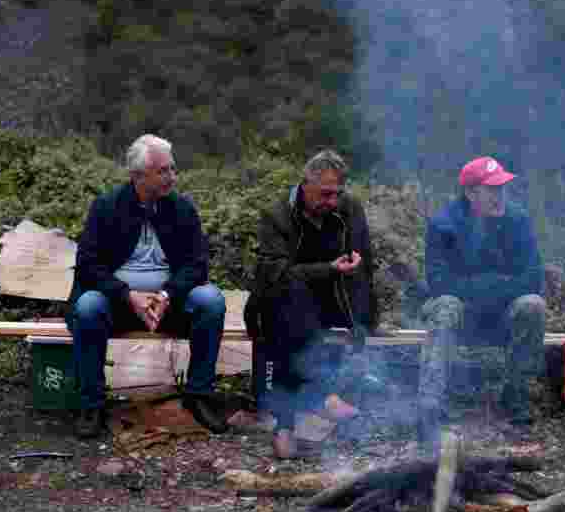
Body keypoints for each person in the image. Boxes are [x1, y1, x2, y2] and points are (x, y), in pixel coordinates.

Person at [66, 134, 226, 438]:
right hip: (118, 304)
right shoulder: (106, 206)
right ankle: (92, 404)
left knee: (211, 300)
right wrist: (127, 296)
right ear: (138, 175)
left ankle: (199, 396)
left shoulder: (182, 208)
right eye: (163, 171)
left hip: (170, 303)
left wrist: (167, 294)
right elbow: (88, 264)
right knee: (87, 306)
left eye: (173, 169)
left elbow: (198, 264)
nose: (172, 177)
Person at [246, 149, 379, 459]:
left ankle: (287, 424)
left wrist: (361, 304)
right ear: (305, 185)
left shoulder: (349, 209)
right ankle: (316, 399)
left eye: (337, 194)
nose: (332, 202)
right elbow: (275, 276)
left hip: (336, 301)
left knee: (295, 317)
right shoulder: (277, 214)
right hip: (282, 303)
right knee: (290, 304)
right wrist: (329, 269)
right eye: (325, 194)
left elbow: (365, 263)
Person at [417, 156, 546, 442]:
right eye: (492, 189)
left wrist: (481, 289)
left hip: (502, 315)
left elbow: (533, 279)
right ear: (470, 192)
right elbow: (439, 283)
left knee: (532, 305)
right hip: (464, 316)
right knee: (445, 306)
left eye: (502, 187)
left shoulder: (518, 220)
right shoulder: (443, 224)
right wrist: (498, 285)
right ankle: (431, 406)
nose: (500, 195)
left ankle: (516, 398)